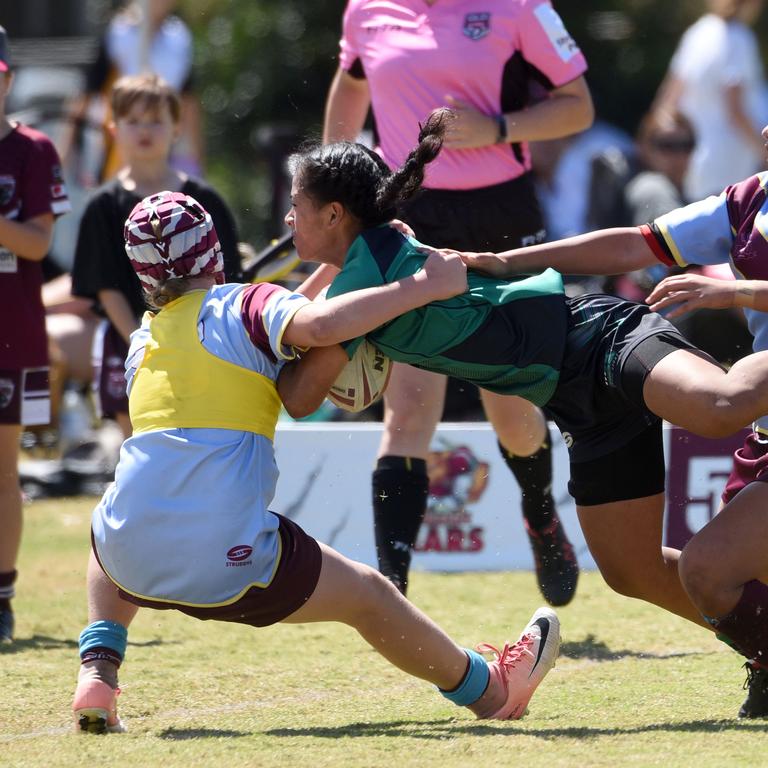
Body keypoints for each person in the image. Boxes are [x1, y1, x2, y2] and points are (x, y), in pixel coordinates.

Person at [284, 108, 768, 714]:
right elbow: (309, 310)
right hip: (575, 404)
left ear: (334, 215)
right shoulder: (371, 259)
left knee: (720, 407)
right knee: (631, 571)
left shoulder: (359, 284)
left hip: (603, 339)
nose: (286, 217)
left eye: (295, 205)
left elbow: (300, 393)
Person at [71, 190, 561, 733]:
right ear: (214, 252)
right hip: (221, 557)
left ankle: (98, 669)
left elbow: (279, 321)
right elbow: (318, 328)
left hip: (129, 554)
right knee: (371, 597)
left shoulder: (144, 339)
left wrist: (334, 268)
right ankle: (491, 691)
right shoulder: (244, 305)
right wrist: (422, 284)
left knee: (116, 525)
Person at [456, 126, 768, 716]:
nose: (766, 130)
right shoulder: (749, 198)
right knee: (666, 573)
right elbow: (635, 244)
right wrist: (507, 263)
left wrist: (735, 294)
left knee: (708, 571)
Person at [322, 0, 594, 604]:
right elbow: (350, 84)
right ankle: (391, 593)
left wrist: (498, 128)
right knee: (408, 414)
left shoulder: (520, 8)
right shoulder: (365, 9)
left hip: (500, 221)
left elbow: (580, 107)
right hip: (406, 223)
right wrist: (332, 187)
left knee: (514, 414)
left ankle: (541, 515)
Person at [70, 73, 240, 440]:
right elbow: (104, 287)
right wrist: (139, 337)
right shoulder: (102, 205)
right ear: (113, 129)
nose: (144, 130)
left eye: (156, 120)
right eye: (132, 121)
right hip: (129, 340)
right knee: (141, 442)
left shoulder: (204, 201)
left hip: (203, 343)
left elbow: (227, 281)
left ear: (176, 127)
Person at [0, 26, 71, 642]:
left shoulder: (33, 149)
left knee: (4, 468)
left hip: (11, 331)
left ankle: (1, 596)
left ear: (8, 78)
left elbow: (37, 241)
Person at [64, 0, 203, 186]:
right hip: (117, 148)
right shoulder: (118, 33)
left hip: (162, 144)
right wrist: (66, 148)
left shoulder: (179, 38)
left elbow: (188, 101)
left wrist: (196, 159)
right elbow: (87, 93)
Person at [654, 0, 767, 200]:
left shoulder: (698, 32)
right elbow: (735, 110)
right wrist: (763, 150)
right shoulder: (739, 38)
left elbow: (667, 100)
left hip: (695, 162)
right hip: (730, 165)